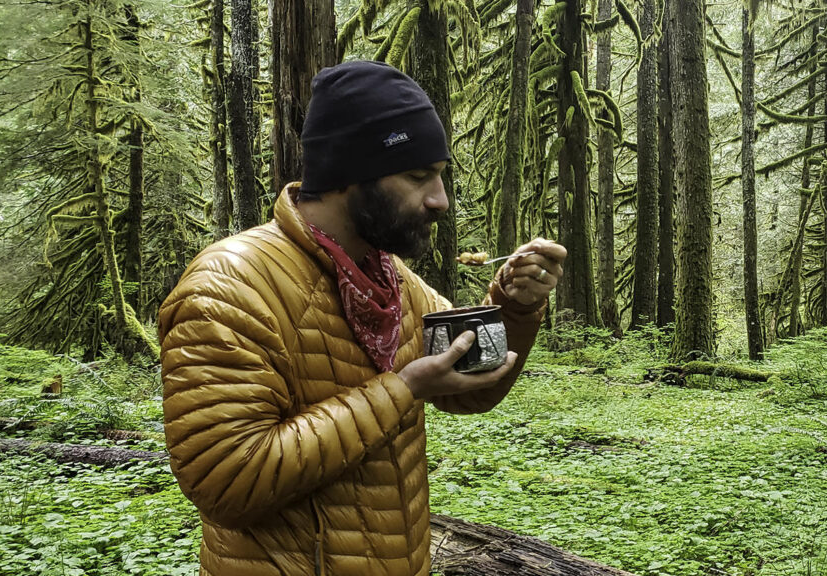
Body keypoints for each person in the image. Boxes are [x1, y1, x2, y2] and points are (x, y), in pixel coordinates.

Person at [158, 60, 566, 576]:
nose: (440, 200)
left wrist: (516, 304)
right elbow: (227, 484)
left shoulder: (387, 276)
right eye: (418, 177)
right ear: (349, 174)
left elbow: (470, 385)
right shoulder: (229, 289)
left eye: (440, 176)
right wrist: (401, 390)